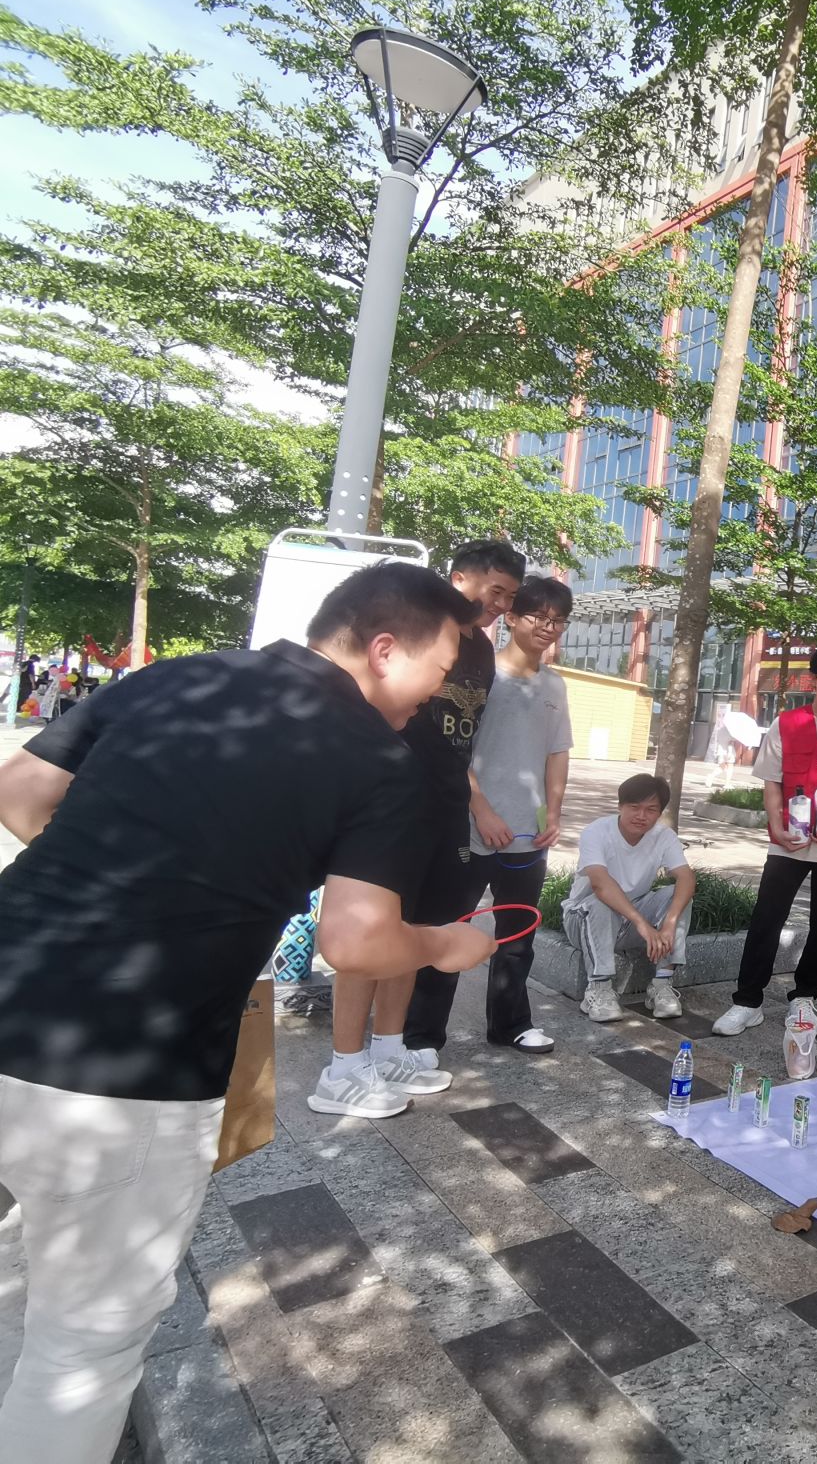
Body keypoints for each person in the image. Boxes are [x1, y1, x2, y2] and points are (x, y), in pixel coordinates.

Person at [0, 561, 494, 1463]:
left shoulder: (175, 675)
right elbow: (356, 940)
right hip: (123, 1068)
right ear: (386, 649)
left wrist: (129, 882)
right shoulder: (381, 761)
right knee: (83, 1345)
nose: (438, 695)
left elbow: (20, 794)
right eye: (440, 669)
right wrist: (443, 947)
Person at [315, 539, 521, 1115]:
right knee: (370, 924)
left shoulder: (481, 650)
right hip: (390, 794)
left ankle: (388, 1049)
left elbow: (465, 738)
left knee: (417, 925)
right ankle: (343, 1066)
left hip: (443, 803)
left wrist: (470, 798)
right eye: (495, 590)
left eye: (510, 596)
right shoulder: (419, 630)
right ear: (459, 580)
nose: (502, 605)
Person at [713, 642, 817, 1034]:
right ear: (814, 679)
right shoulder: (786, 723)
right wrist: (775, 825)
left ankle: (805, 998)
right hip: (787, 841)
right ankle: (747, 1001)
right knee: (767, 918)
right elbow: (772, 781)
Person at [438, 575, 577, 1052]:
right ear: (512, 617)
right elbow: (455, 748)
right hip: (471, 829)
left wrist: (553, 814)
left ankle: (511, 1025)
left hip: (526, 835)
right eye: (538, 616)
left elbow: (557, 753)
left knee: (518, 936)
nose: (548, 627)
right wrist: (481, 808)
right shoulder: (481, 675)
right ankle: (422, 1037)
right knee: (450, 931)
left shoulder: (554, 685)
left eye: (558, 620)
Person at [564, 774, 696, 1022]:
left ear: (659, 813)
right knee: (600, 902)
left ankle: (661, 985)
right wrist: (642, 924)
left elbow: (686, 878)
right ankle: (598, 989)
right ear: (620, 806)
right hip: (583, 918)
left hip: (629, 920)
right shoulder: (596, 831)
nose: (641, 815)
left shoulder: (664, 836)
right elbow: (600, 884)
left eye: (651, 810)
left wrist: (668, 924)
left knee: (678, 896)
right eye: (634, 807)